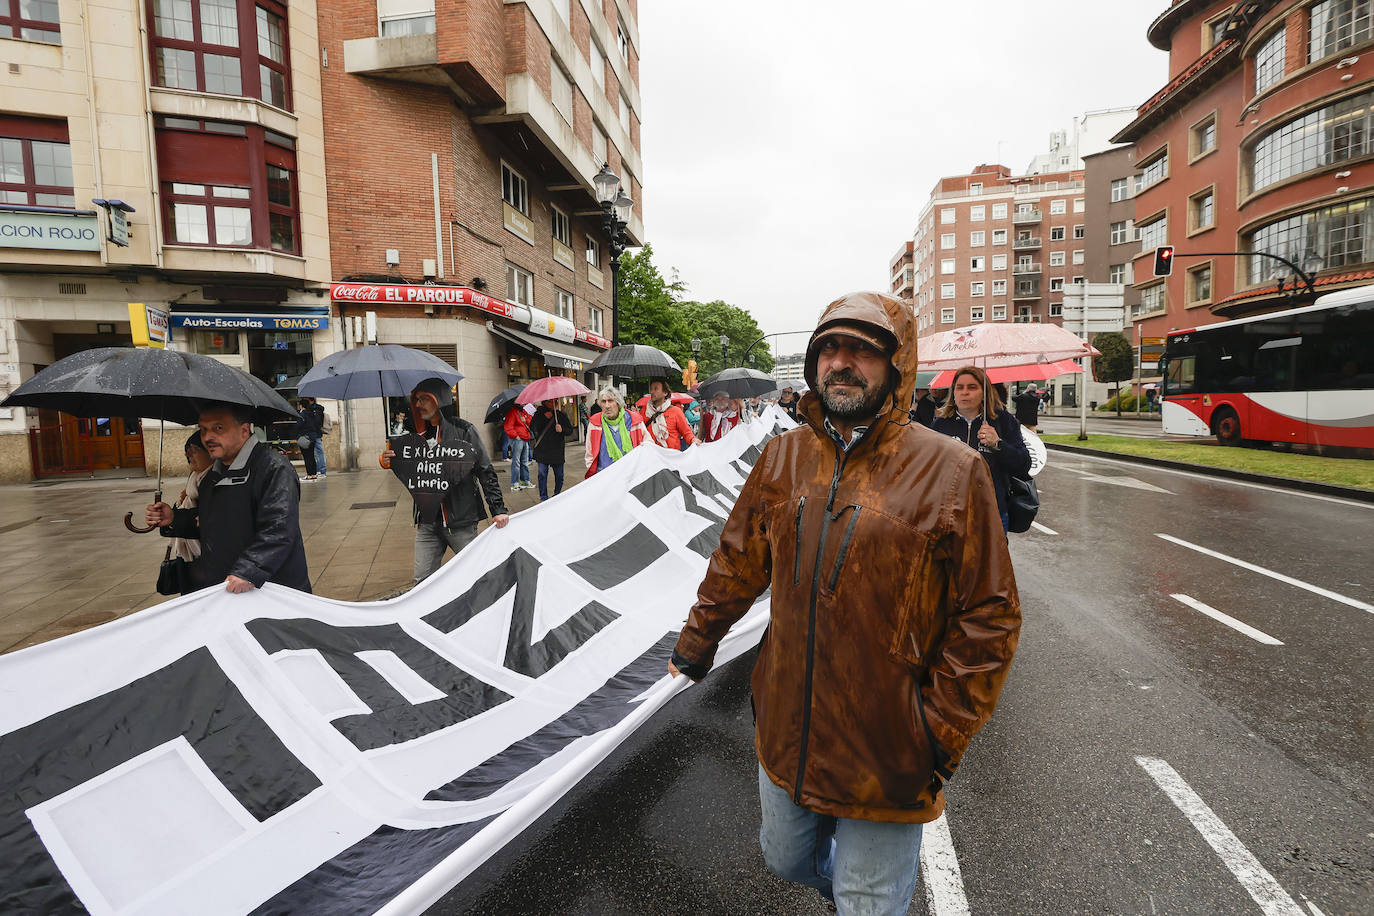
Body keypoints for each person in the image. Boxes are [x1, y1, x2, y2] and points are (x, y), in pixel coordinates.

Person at [668, 291, 1021, 915]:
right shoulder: (782, 457)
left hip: (889, 744)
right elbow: (737, 558)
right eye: (829, 348)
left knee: (867, 900)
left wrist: (939, 731)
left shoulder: (953, 471)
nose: (842, 362)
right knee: (784, 859)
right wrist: (699, 640)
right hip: (788, 725)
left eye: (861, 349)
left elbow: (989, 615)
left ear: (896, 366)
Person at [145, 402, 311, 593]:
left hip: (270, 591)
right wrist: (174, 519)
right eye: (203, 429)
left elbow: (278, 530)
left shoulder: (273, 468)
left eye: (218, 428)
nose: (208, 437)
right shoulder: (213, 475)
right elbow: (215, 522)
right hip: (227, 588)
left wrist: (249, 569)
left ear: (244, 430)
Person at [381, 378, 509, 583]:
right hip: (427, 522)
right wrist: (390, 460)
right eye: (416, 400)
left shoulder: (464, 430)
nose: (418, 405)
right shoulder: (415, 436)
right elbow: (414, 472)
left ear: (438, 400)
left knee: (476, 577)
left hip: (460, 521)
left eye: (424, 399)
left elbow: (485, 469)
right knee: (421, 581)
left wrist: (498, 509)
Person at [929, 366, 1032, 533]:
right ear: (953, 392)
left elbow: (1023, 464)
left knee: (993, 560)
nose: (964, 392)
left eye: (972, 387)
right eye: (959, 387)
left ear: (984, 392)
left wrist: (998, 444)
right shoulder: (940, 425)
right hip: (949, 513)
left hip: (991, 512)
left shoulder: (1003, 421)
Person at [165, 431, 212, 593]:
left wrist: (174, 518)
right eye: (187, 450)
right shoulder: (194, 481)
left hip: (205, 561)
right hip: (187, 558)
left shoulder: (215, 482)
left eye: (194, 449)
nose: (188, 454)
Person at [584, 387, 645, 477]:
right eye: (604, 402)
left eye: (610, 401)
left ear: (618, 403)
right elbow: (589, 453)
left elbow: (647, 446)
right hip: (604, 477)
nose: (607, 406)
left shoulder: (634, 420)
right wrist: (595, 476)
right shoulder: (595, 423)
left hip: (630, 475)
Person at [529, 398, 573, 501]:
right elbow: (533, 427)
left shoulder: (561, 415)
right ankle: (543, 497)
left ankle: (557, 494)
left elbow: (569, 430)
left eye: (556, 401)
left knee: (559, 475)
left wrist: (562, 429)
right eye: (552, 401)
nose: (555, 403)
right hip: (543, 450)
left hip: (557, 451)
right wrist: (544, 419)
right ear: (545, 403)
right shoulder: (538, 414)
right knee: (542, 474)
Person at [642, 379, 696, 451]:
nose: (652, 392)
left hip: (671, 457)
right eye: (651, 389)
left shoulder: (676, 411)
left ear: (665, 393)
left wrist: (693, 439)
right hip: (651, 456)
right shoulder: (644, 411)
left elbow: (686, 432)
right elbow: (640, 432)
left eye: (656, 389)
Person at [503, 402, 533, 490]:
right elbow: (508, 426)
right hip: (518, 439)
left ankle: (525, 481)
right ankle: (515, 482)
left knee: (524, 461)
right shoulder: (512, 412)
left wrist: (525, 420)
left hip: (524, 438)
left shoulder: (524, 411)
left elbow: (530, 422)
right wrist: (516, 436)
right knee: (516, 462)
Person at [294, 397, 322, 480]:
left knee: (307, 457)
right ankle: (314, 474)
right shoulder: (312, 413)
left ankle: (309, 474)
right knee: (312, 456)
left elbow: (298, 425)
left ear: (301, 405)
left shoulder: (302, 414)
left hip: (305, 437)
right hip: (313, 437)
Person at [302, 396, 329, 477]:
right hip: (314, 434)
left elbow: (317, 422)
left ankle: (322, 471)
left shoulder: (316, 410)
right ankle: (318, 470)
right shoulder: (312, 409)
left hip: (316, 434)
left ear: (311, 400)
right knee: (315, 453)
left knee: (319, 452)